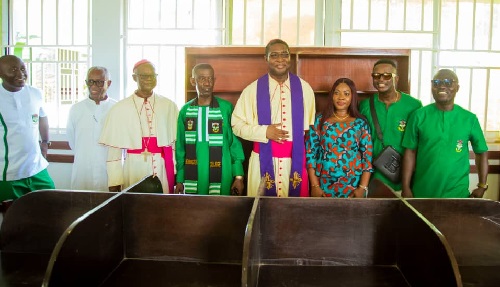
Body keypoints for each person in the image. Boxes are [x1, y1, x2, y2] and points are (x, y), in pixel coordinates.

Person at [231, 39, 316, 197]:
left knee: (293, 214)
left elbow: (308, 130)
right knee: (262, 212)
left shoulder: (305, 89)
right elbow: (236, 126)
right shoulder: (252, 90)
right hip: (262, 161)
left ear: (290, 57)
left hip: (294, 161)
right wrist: (264, 132)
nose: (280, 59)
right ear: (266, 58)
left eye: (284, 55)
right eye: (274, 55)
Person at [401, 69, 489, 198]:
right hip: (422, 192)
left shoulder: (469, 119)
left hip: (457, 194)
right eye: (436, 82)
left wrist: (482, 185)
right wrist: (406, 187)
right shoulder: (418, 116)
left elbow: (481, 153)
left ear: (457, 88)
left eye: (448, 82)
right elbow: (410, 153)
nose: (442, 86)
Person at [99, 59, 179, 193]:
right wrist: (114, 182)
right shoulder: (120, 108)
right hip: (133, 168)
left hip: (162, 168)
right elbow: (114, 153)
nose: (148, 79)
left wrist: (177, 174)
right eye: (143, 76)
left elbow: (175, 146)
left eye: (152, 76)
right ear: (134, 77)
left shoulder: (169, 106)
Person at [175, 63, 245, 195]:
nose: (207, 83)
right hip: (193, 174)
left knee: (221, 211)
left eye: (210, 78)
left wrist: (238, 176)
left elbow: (234, 144)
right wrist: (179, 179)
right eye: (202, 78)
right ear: (192, 81)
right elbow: (180, 148)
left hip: (223, 173)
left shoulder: (226, 108)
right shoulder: (185, 111)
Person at [359, 58, 422, 191]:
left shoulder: (414, 105)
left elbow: (419, 143)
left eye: (387, 75)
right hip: (373, 177)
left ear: (396, 79)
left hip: (404, 178)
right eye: (376, 75)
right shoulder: (365, 106)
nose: (381, 79)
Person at [0, 55, 55, 201]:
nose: (20, 74)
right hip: (8, 174)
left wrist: (45, 142)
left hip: (37, 168)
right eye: (13, 70)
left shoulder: (35, 93)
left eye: (23, 69)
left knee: (52, 205)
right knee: (12, 219)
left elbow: (42, 117)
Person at [306, 78, 373, 198]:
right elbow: (311, 154)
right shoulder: (319, 120)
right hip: (324, 182)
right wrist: (315, 186)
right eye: (337, 93)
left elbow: (367, 157)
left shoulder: (360, 123)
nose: (341, 97)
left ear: (352, 97)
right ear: (331, 96)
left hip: (353, 183)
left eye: (346, 94)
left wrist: (362, 188)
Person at [66, 66, 117, 191]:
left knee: (108, 206)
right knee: (81, 205)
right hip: (83, 170)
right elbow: (72, 141)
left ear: (108, 83)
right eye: (90, 81)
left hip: (108, 171)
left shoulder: (117, 108)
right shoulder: (76, 109)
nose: (93, 86)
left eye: (99, 82)